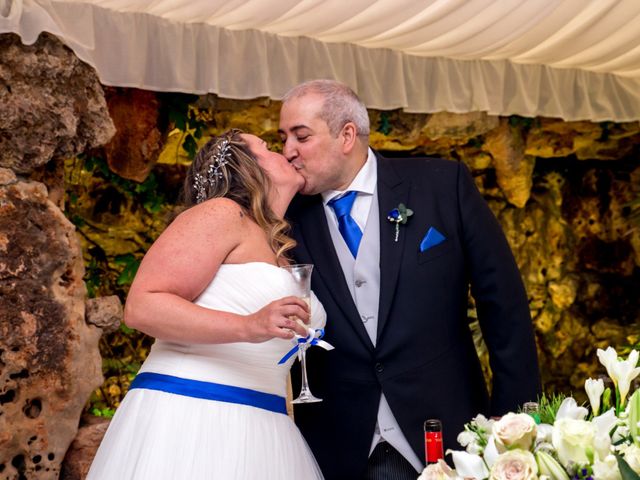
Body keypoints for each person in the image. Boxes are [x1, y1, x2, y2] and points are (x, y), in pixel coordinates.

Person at [278, 80, 542, 480]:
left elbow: (502, 303)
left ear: (347, 135)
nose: (288, 151)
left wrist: (514, 420)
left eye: (301, 136)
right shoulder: (286, 219)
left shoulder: (441, 185)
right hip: (338, 447)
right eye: (282, 138)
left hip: (452, 435)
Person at [87, 129, 326, 479]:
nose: (286, 153)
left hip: (266, 423)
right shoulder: (222, 214)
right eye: (270, 147)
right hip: (195, 413)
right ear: (247, 167)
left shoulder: (283, 251)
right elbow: (142, 306)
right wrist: (248, 326)